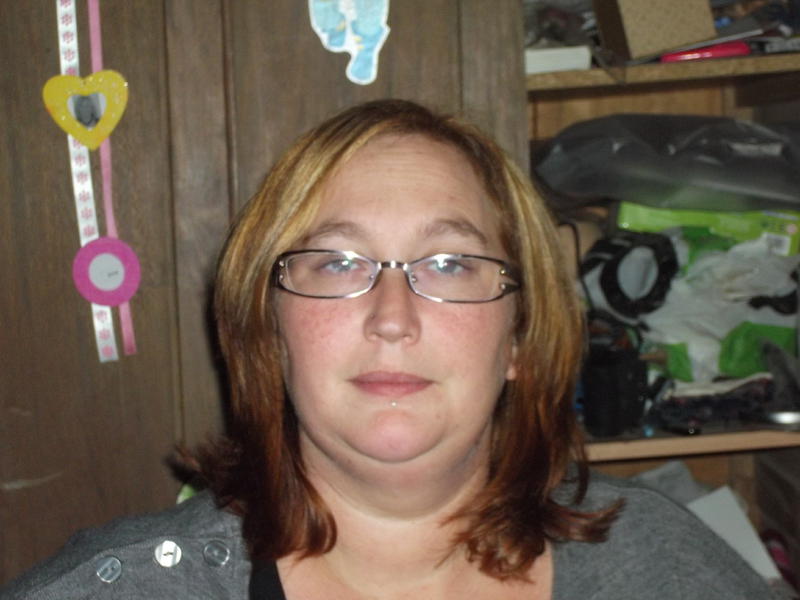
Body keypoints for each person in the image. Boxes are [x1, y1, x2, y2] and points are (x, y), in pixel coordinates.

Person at [2, 100, 780, 599]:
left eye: (451, 264)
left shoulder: (661, 568)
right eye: (339, 263)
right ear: (268, 331)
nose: (393, 319)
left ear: (518, 336)